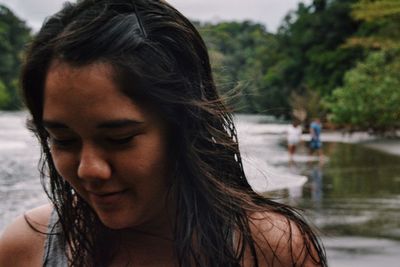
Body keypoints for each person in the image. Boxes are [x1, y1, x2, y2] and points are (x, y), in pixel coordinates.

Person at [0, 1, 327, 266]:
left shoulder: (270, 251)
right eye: (63, 140)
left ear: (184, 126)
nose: (90, 169)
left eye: (120, 139)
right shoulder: (24, 250)